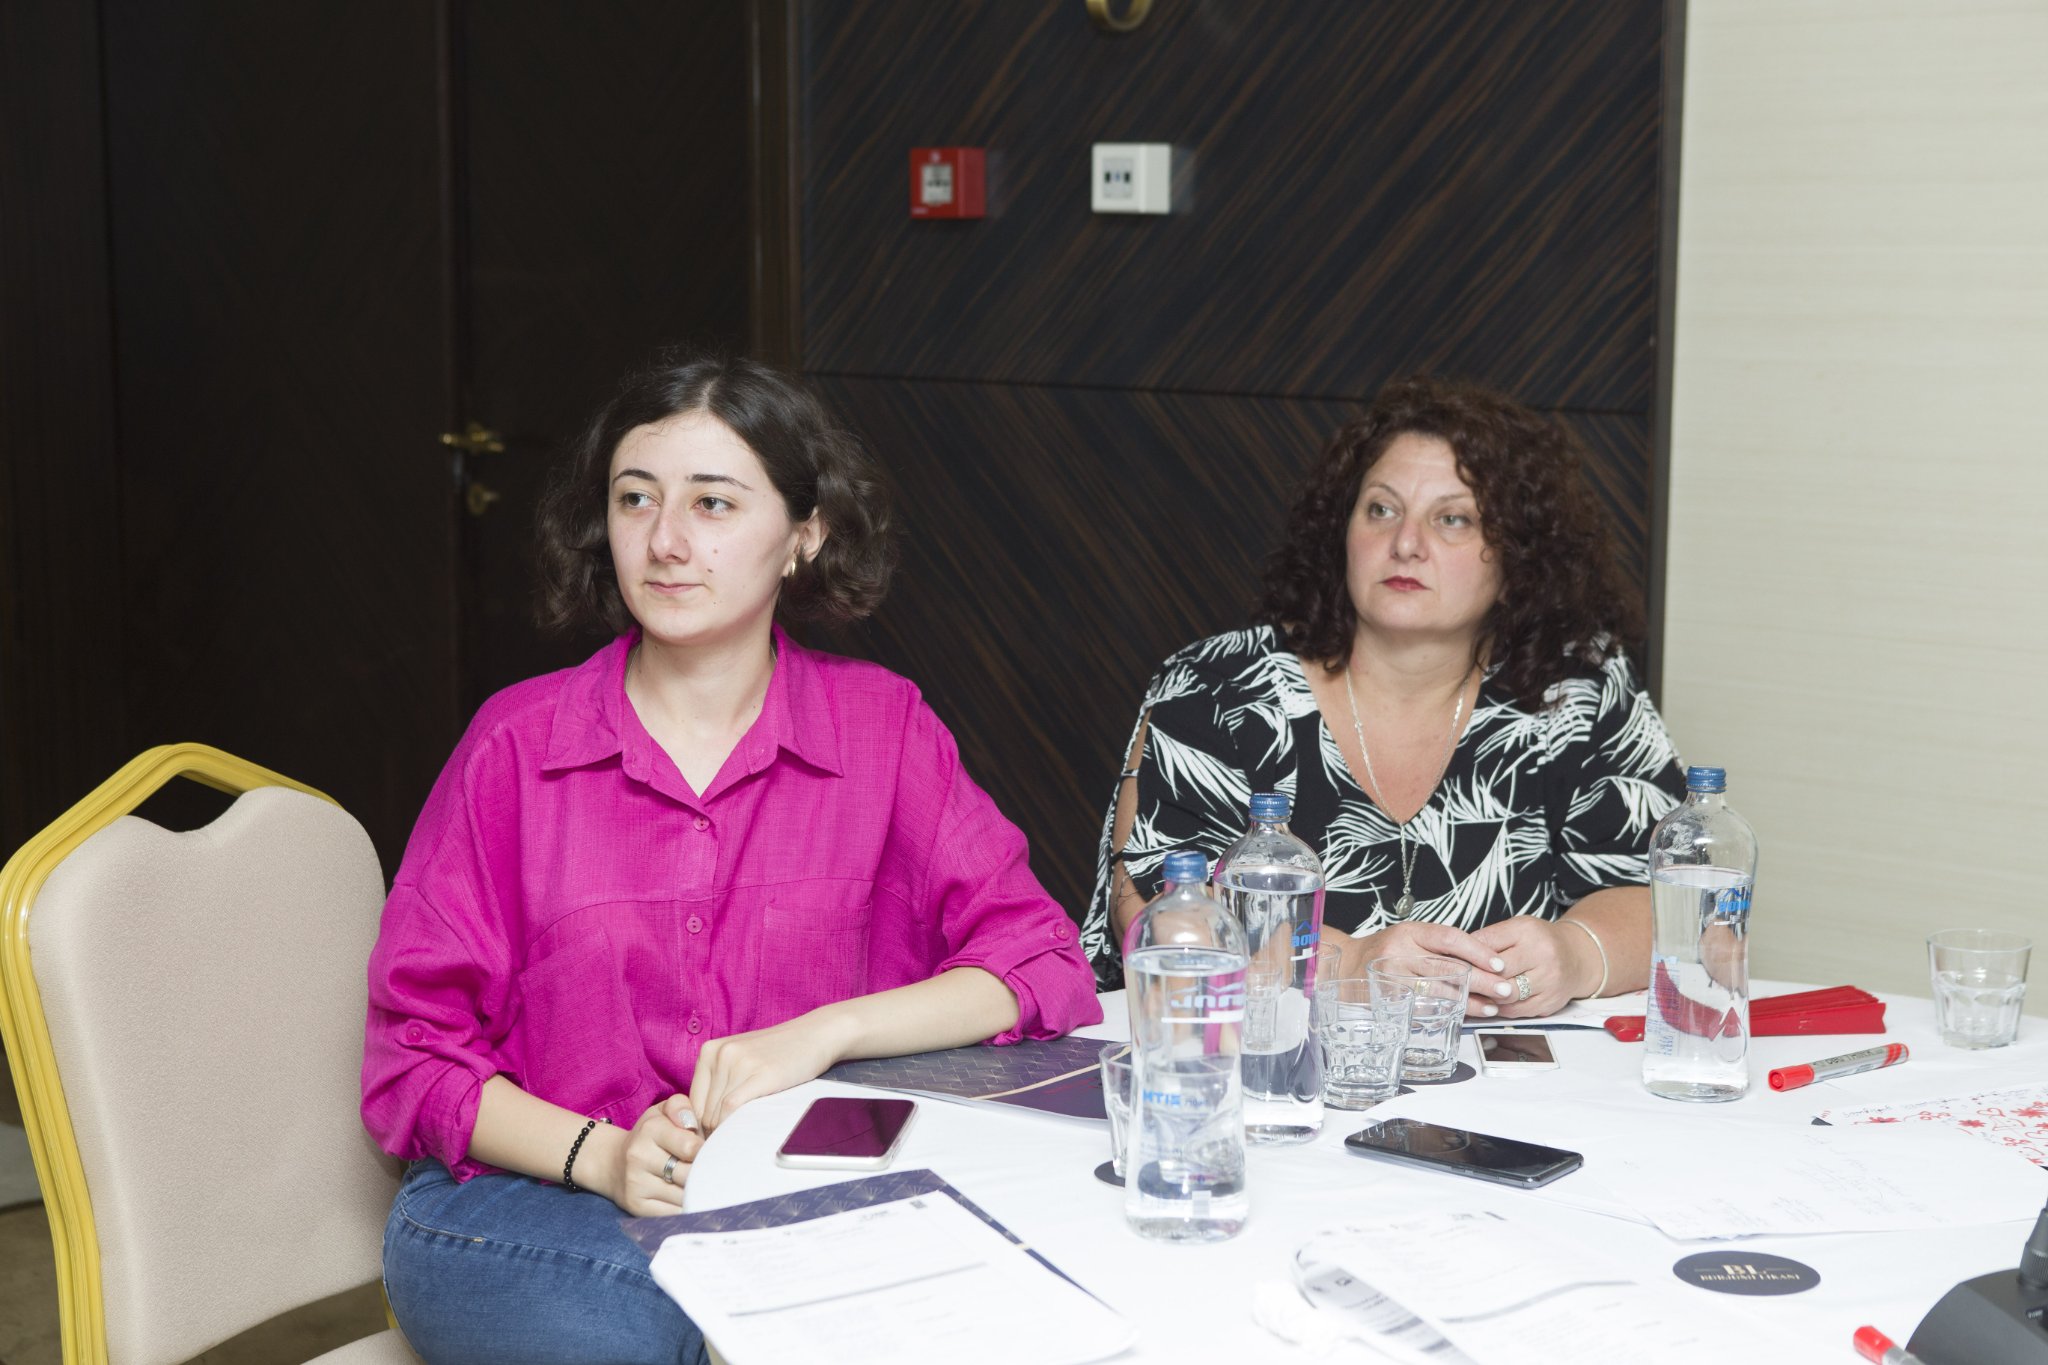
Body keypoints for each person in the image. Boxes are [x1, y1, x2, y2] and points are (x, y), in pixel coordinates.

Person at [361, 354, 1101, 1364]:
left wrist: (822, 1035)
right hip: (532, 1203)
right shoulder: (514, 748)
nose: (666, 541)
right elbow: (414, 1057)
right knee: (677, 1326)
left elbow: (1037, 962)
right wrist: (603, 1156)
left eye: (712, 503)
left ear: (805, 534)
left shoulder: (882, 730)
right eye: (636, 499)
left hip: (793, 1197)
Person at [1083, 375, 1685, 1019]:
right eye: (1380, 509)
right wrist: (1349, 961)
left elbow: (1678, 899)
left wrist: (1577, 952)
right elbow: (1156, 917)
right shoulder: (1219, 687)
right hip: (1247, 1060)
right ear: (1340, 532)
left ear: (1518, 557)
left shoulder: (1578, 687)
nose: (1405, 543)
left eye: (1452, 519)